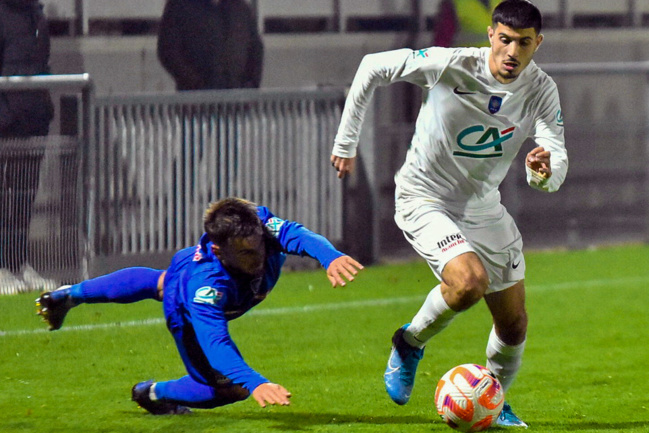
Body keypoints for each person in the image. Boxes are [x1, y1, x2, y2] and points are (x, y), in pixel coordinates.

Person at [330, 0, 567, 428]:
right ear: (492, 35)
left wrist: (543, 171)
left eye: (524, 44)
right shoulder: (451, 64)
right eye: (506, 40)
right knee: (469, 282)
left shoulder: (541, 89)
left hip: (482, 205)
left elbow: (556, 156)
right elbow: (371, 66)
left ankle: (493, 401)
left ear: (538, 44)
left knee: (513, 324)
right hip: (424, 197)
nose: (513, 52)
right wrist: (346, 144)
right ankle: (409, 342)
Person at [36, 197, 363, 413]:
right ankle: (153, 394)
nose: (260, 257)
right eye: (247, 254)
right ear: (220, 252)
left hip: (185, 271)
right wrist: (255, 382)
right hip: (186, 309)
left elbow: (300, 236)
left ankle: (71, 294)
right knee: (228, 390)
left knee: (161, 282)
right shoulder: (206, 288)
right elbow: (214, 342)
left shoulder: (258, 226)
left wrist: (330, 256)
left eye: (259, 247)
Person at [0, 0, 56, 293]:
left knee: (23, 198)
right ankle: (1, 268)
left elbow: (41, 65)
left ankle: (18, 263)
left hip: (32, 119)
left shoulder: (36, 12)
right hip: (6, 121)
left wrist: (42, 108)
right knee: (2, 197)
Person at [157, 0, 264, 90]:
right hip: (194, 103)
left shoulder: (241, 9)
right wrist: (195, 84)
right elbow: (168, 51)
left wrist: (251, 86)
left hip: (237, 102)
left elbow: (256, 50)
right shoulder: (179, 6)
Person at [433, 0, 500, 48]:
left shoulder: (500, 2)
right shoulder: (454, 4)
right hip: (466, 64)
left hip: (495, 63)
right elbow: (442, 40)